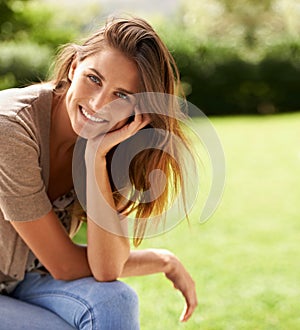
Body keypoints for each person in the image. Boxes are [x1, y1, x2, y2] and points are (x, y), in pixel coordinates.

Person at [0, 17, 198, 329]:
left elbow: (106, 268)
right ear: (74, 65)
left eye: (122, 96)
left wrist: (95, 159)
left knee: (116, 299)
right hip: (23, 281)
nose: (98, 104)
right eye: (94, 79)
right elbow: (64, 266)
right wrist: (159, 260)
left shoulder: (107, 144)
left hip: (22, 281)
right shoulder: (10, 127)